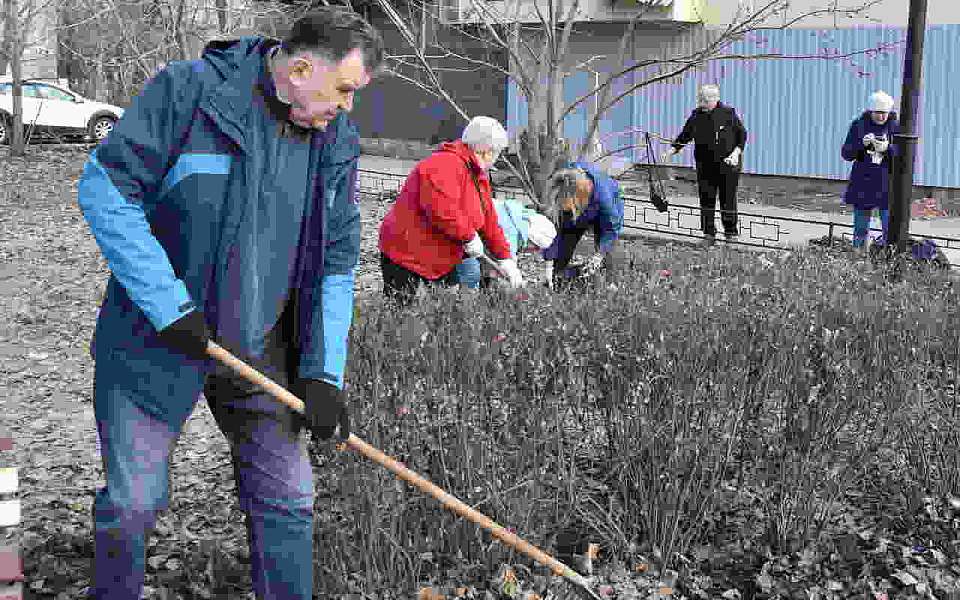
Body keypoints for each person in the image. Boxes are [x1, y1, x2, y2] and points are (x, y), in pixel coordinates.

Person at [75, 9, 383, 599]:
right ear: (298, 68)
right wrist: (170, 306)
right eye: (343, 90)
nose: (347, 107)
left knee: (289, 500)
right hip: (157, 339)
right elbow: (105, 189)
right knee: (133, 503)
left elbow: (336, 266)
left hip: (262, 348)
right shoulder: (189, 95)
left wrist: (323, 375)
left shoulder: (335, 142)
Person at [378, 116, 523, 304]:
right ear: (487, 151)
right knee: (402, 310)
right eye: (498, 153)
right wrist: (469, 236)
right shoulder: (444, 165)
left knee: (448, 306)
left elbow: (488, 220)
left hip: (440, 254)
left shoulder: (478, 175)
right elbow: (443, 210)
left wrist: (505, 258)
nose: (497, 158)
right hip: (406, 251)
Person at [661, 83, 747, 245]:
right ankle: (708, 234)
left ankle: (730, 234)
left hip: (728, 166)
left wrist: (736, 154)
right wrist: (671, 151)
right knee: (706, 199)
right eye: (700, 99)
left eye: (705, 100)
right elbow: (684, 136)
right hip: (705, 166)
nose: (702, 103)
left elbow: (742, 136)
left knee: (728, 199)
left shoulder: (728, 114)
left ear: (716, 98)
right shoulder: (696, 116)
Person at [542, 161, 625, 288]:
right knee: (564, 244)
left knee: (606, 253)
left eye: (566, 205)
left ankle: (609, 286)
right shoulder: (566, 179)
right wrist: (549, 263)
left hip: (605, 218)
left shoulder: (604, 198)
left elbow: (611, 229)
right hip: (579, 208)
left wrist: (599, 254)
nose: (563, 207)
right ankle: (555, 281)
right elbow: (554, 231)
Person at [840, 90, 899, 250]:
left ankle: (889, 259)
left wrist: (888, 148)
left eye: (884, 113)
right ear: (871, 111)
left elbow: (906, 157)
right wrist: (861, 144)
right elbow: (846, 154)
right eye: (878, 113)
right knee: (860, 228)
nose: (881, 117)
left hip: (887, 184)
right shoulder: (859, 125)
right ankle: (858, 259)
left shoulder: (896, 127)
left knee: (890, 229)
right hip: (863, 183)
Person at [455, 200, 557, 289]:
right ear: (532, 238)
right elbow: (503, 264)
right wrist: (516, 282)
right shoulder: (510, 232)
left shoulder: (516, 217)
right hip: (459, 231)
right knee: (471, 275)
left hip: (464, 228)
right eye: (536, 247)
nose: (534, 251)